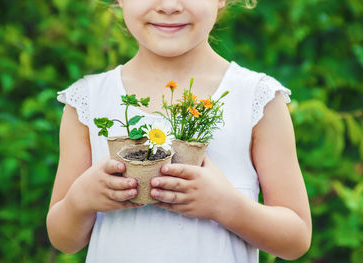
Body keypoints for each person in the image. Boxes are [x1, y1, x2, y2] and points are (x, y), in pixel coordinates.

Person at [46, 0, 312, 262]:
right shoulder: (88, 100)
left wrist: (226, 206)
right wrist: (80, 200)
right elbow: (63, 239)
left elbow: (295, 239)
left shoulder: (256, 99)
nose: (169, 6)